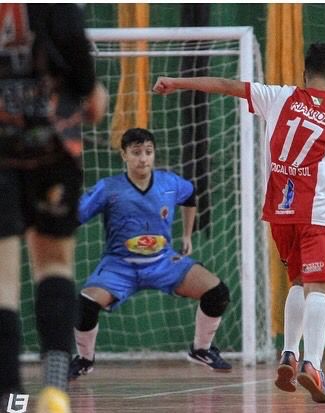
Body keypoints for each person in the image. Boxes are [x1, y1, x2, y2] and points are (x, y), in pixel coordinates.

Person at [153, 42, 325, 403]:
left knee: (297, 280)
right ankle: (313, 366)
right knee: (319, 287)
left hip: (280, 211)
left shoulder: (278, 97)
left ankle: (290, 353)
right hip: (318, 214)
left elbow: (226, 86)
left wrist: (176, 83)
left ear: (304, 73)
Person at [0, 3, 107, 413]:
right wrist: (91, 91)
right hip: (51, 141)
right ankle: (55, 390)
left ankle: (10, 399)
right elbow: (73, 45)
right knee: (54, 265)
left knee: (4, 284)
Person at [68, 127, 232, 381]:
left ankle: (201, 349)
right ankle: (85, 359)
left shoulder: (170, 183)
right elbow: (75, 216)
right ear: (124, 155)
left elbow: (190, 196)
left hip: (163, 261)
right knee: (85, 303)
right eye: (136, 153)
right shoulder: (109, 188)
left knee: (217, 292)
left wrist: (187, 235)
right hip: (120, 265)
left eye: (148, 152)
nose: (143, 158)